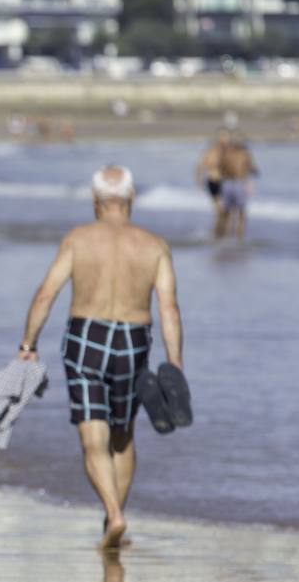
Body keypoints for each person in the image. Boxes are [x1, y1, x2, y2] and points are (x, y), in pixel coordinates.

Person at [15, 166, 183, 550]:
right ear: (131, 199)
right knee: (122, 437)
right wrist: (174, 365)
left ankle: (115, 515)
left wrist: (28, 344)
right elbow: (169, 309)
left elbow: (46, 294)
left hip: (85, 338)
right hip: (133, 342)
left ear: (95, 201)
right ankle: (113, 519)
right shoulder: (154, 244)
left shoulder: (78, 239)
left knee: (94, 438)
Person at [218, 135, 257, 243]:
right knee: (241, 213)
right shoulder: (245, 154)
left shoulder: (225, 153)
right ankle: (239, 237)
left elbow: (220, 167)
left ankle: (226, 237)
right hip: (240, 183)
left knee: (227, 212)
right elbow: (252, 168)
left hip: (227, 183)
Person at [194, 128, 229, 237]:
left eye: (227, 136)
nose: (225, 139)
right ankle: (218, 233)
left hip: (226, 183)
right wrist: (198, 181)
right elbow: (199, 166)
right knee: (220, 211)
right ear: (218, 137)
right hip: (213, 181)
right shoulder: (211, 151)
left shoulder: (229, 151)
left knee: (225, 211)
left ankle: (221, 233)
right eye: (223, 136)